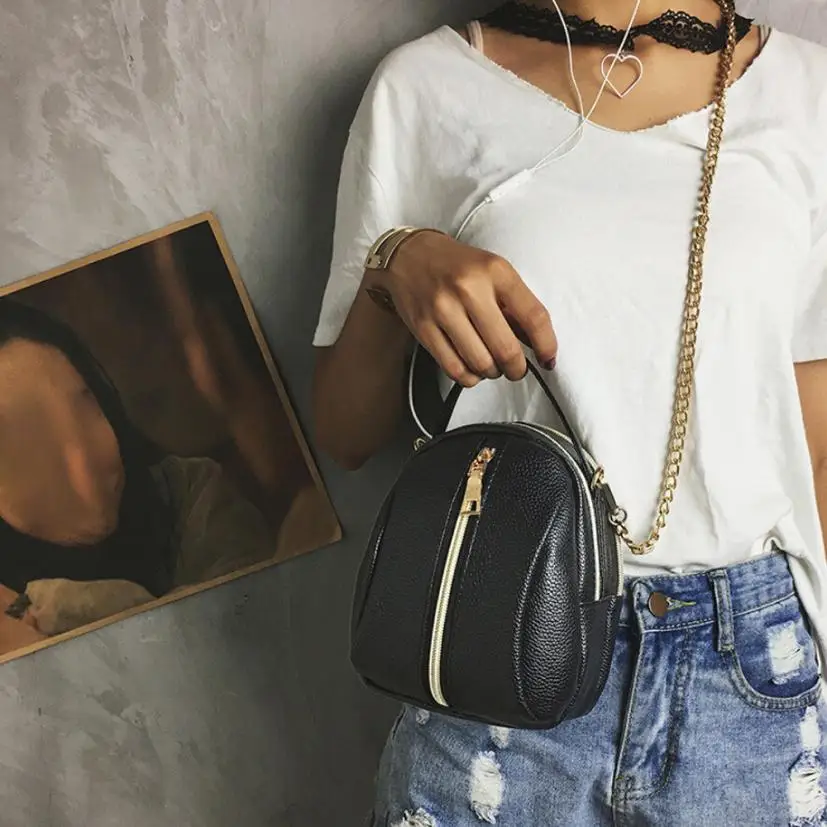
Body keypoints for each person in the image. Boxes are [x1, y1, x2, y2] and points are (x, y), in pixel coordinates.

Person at [312, 1, 827, 824]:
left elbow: (811, 451)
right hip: (499, 639)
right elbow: (345, 436)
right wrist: (392, 265)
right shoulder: (426, 87)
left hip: (748, 682)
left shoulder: (807, 93)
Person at [0, 299, 274, 649]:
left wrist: (97, 608)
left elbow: (258, 628)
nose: (86, 476)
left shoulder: (187, 491)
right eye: (26, 448)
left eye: (87, 408)